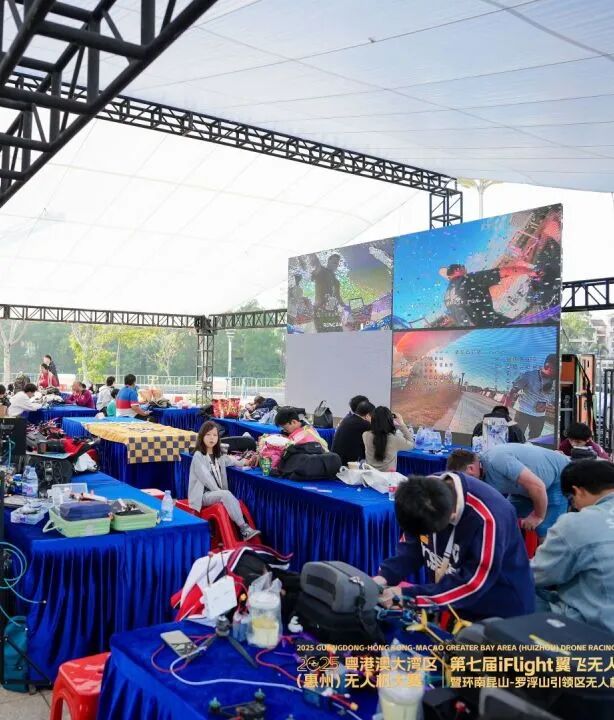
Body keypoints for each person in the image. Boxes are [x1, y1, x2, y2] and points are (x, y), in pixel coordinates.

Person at [375, 472, 534, 620]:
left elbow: (472, 584)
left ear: (451, 516)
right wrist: (385, 576)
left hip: (500, 607)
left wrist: (408, 597)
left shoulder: (489, 518)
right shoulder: (425, 493)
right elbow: (412, 546)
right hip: (457, 601)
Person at [531, 460, 614, 634]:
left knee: (521, 585)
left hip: (597, 631)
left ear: (578, 491)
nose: (574, 506)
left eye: (571, 500)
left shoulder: (577, 523)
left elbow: (538, 574)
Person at [478, 443, 570, 540]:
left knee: (545, 528)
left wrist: (537, 516)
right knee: (504, 517)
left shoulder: (497, 460)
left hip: (557, 477)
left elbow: (538, 487)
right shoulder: (479, 472)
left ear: (471, 468)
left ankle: (552, 548)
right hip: (527, 489)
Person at [188, 421, 260, 540]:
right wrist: (221, 493)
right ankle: (244, 529)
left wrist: (245, 462)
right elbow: (206, 479)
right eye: (208, 435)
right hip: (202, 495)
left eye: (215, 435)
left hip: (216, 493)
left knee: (227, 495)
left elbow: (231, 460)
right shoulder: (198, 456)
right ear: (202, 437)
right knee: (226, 495)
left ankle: (242, 529)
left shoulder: (218, 455)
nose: (212, 438)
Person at [441, 262, 538, 327]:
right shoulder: (468, 279)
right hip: (491, 325)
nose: (465, 269)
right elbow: (504, 272)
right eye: (463, 267)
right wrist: (531, 272)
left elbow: (457, 317)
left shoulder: (446, 297)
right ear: (457, 270)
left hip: (475, 337)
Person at [507, 354, 557, 440]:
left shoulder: (555, 382)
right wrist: (504, 409)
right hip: (523, 411)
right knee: (516, 438)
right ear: (547, 366)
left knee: (535, 440)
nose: (558, 373)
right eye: (556, 369)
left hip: (540, 415)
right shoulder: (528, 376)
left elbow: (553, 400)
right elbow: (512, 391)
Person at [362, 406, 414, 472]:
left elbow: (378, 433)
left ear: (373, 420)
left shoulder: (365, 435)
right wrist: (402, 424)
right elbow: (411, 445)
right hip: (388, 476)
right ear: (390, 421)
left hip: (370, 475)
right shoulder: (395, 438)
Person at [331, 400, 375, 465]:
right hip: (348, 464)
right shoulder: (365, 424)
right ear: (367, 415)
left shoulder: (347, 419)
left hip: (336, 460)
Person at [311, 253, 346, 332]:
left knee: (340, 334)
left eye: (337, 263)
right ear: (328, 261)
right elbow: (317, 264)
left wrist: (346, 307)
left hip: (334, 313)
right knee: (325, 336)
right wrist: (313, 255)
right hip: (321, 313)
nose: (335, 265)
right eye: (334, 262)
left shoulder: (336, 281)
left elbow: (338, 297)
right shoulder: (322, 271)